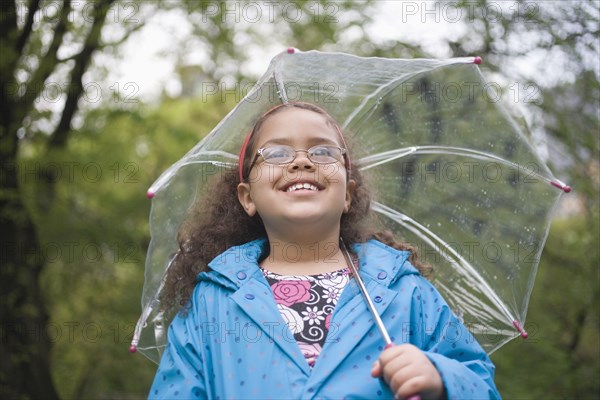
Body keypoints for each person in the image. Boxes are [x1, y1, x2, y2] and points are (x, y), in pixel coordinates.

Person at [148, 102, 501, 399]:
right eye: (276, 152)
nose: (302, 161)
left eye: (322, 151)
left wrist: (440, 378)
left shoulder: (404, 291)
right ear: (248, 197)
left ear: (347, 193)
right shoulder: (211, 302)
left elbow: (481, 382)